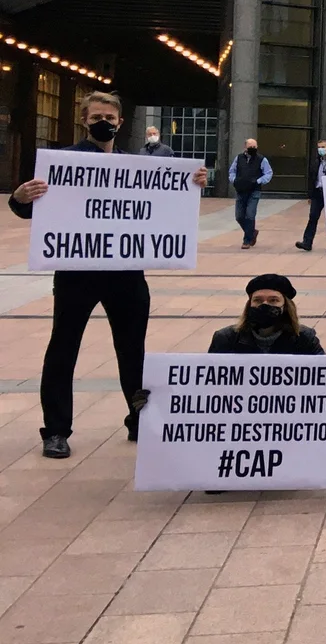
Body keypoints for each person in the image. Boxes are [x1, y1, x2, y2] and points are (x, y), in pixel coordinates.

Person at [10, 92, 211, 458]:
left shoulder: (133, 166)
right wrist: (21, 198)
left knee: (133, 353)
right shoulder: (65, 162)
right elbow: (36, 211)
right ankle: (56, 431)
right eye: (96, 115)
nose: (104, 122)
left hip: (126, 274)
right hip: (77, 274)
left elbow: (164, 206)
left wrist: (192, 183)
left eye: (110, 116)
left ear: (120, 123)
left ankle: (138, 422)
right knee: (63, 350)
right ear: (85, 119)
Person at [208, 274, 325, 355]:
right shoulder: (226, 338)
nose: (264, 305)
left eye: (273, 300)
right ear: (249, 304)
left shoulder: (304, 338)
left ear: (285, 307)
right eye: (257, 300)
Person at [296, 138, 326, 252]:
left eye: (323, 147)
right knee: (313, 217)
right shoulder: (316, 162)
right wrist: (310, 195)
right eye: (319, 147)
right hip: (318, 193)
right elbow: (311, 178)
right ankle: (307, 242)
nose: (321, 149)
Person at [228, 137, 273, 249]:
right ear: (245, 147)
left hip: (254, 191)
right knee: (239, 216)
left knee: (250, 215)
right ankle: (252, 232)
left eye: (254, 147)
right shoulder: (239, 158)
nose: (253, 149)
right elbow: (232, 171)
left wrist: (258, 181)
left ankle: (247, 240)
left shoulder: (262, 159)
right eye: (250, 147)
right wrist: (234, 180)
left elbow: (268, 173)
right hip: (241, 190)